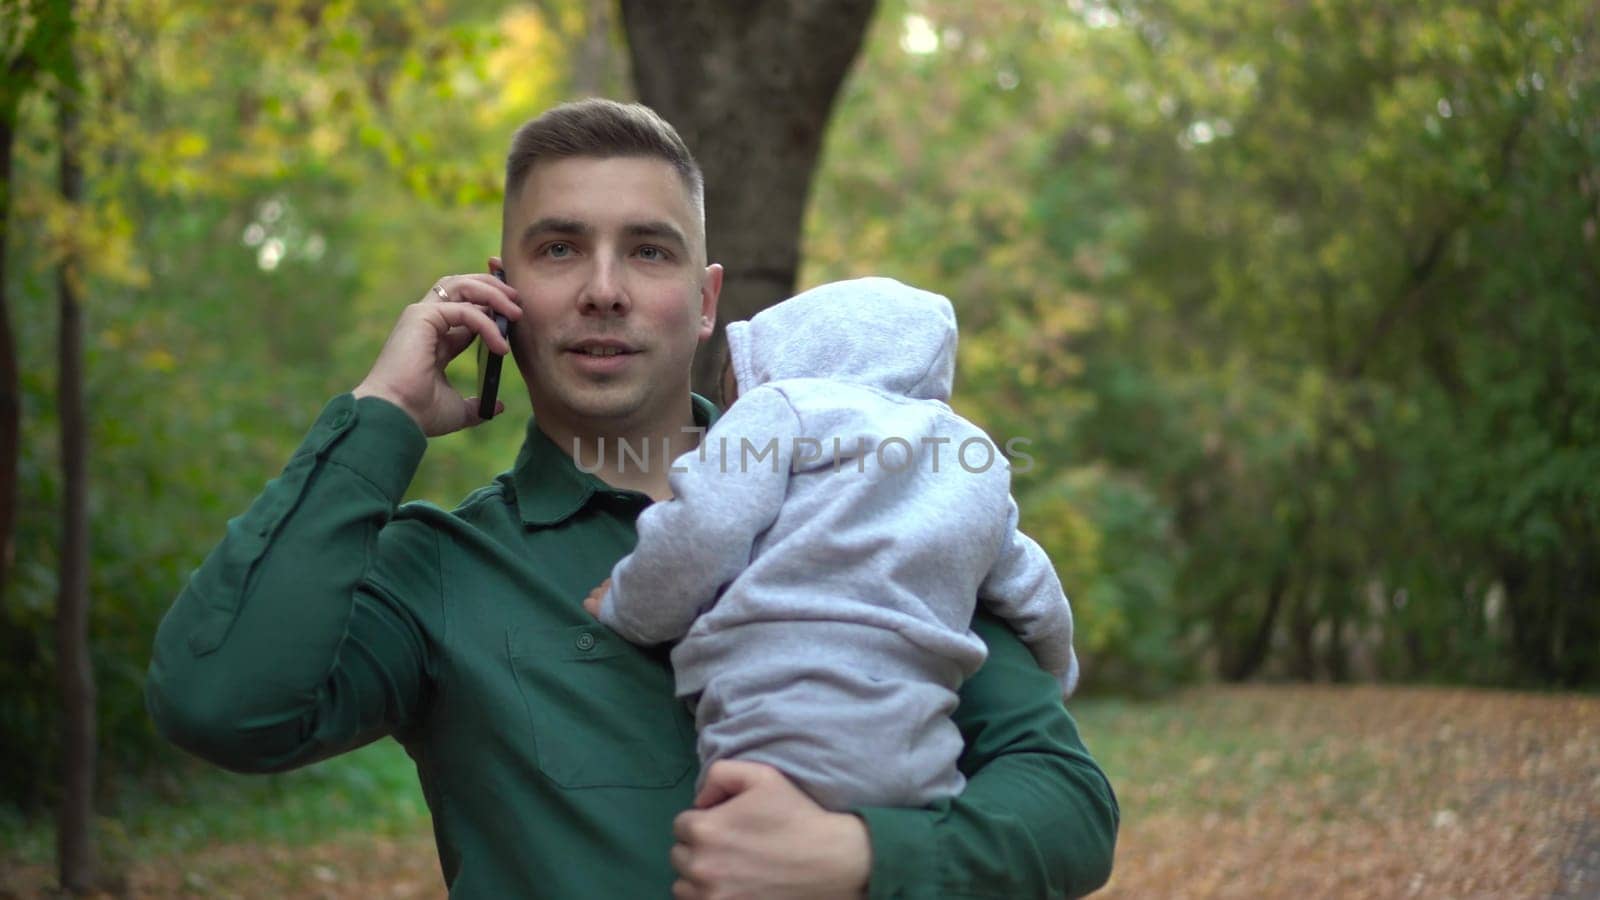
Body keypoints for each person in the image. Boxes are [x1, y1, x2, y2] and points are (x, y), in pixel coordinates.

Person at [146, 99, 1118, 899]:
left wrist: (861, 859)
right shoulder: (441, 569)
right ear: (500, 294)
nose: (603, 289)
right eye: (560, 249)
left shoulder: (870, 502)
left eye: (648, 252)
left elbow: (1068, 808)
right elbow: (218, 703)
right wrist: (381, 413)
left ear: (704, 303)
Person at [584, 276, 1080, 812]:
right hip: (918, 744)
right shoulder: (971, 457)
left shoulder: (782, 406)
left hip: (776, 712)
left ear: (793, 351)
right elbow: (1034, 586)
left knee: (742, 860)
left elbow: (704, 528)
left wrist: (630, 606)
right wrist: (1057, 674)